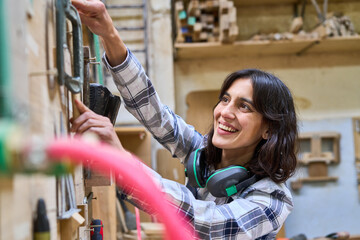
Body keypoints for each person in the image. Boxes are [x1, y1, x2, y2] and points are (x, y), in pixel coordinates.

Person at [70, 0, 298, 239]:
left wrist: (123, 164)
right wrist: (109, 34)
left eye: (244, 106)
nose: (225, 112)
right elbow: (155, 114)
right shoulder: (204, 156)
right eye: (225, 99)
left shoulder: (272, 198)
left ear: (269, 129)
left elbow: (208, 223)